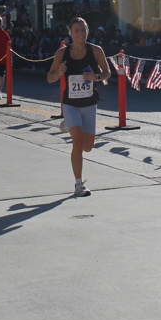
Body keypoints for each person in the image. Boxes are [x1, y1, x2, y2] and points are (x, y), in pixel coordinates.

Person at [47, 16, 111, 197]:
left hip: (89, 104)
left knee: (88, 146)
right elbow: (49, 77)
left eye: (84, 30)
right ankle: (78, 184)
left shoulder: (96, 50)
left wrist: (96, 77)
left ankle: (69, 123)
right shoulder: (62, 53)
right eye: (77, 30)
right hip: (71, 103)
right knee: (77, 141)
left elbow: (107, 72)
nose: (81, 33)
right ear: (70, 33)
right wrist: (59, 74)